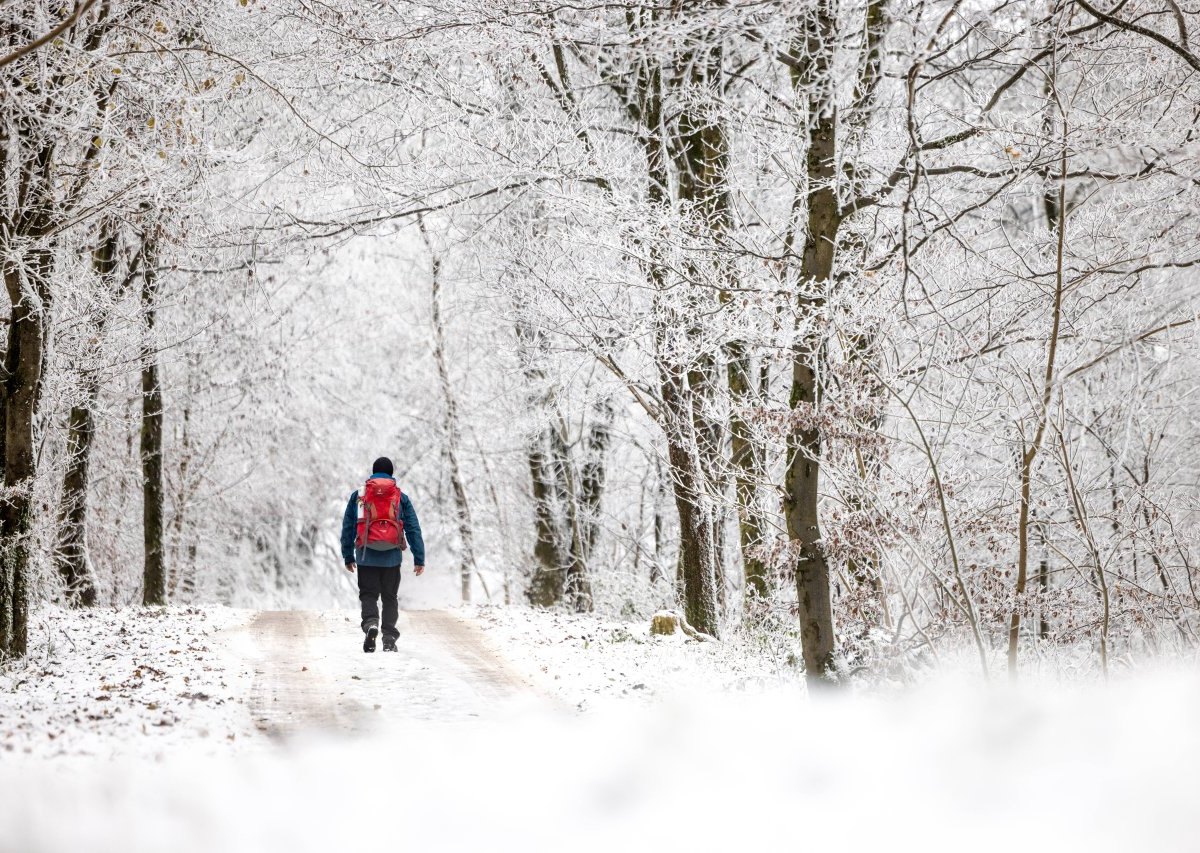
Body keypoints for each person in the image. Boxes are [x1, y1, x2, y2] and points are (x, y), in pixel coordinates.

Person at [340, 457, 425, 652]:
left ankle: (371, 624)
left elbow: (348, 527)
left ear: (373, 472)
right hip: (392, 557)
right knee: (390, 597)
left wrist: (348, 555)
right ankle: (389, 639)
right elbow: (413, 528)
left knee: (368, 594)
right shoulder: (399, 496)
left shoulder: (360, 495)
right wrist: (419, 558)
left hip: (365, 555)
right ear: (391, 473)